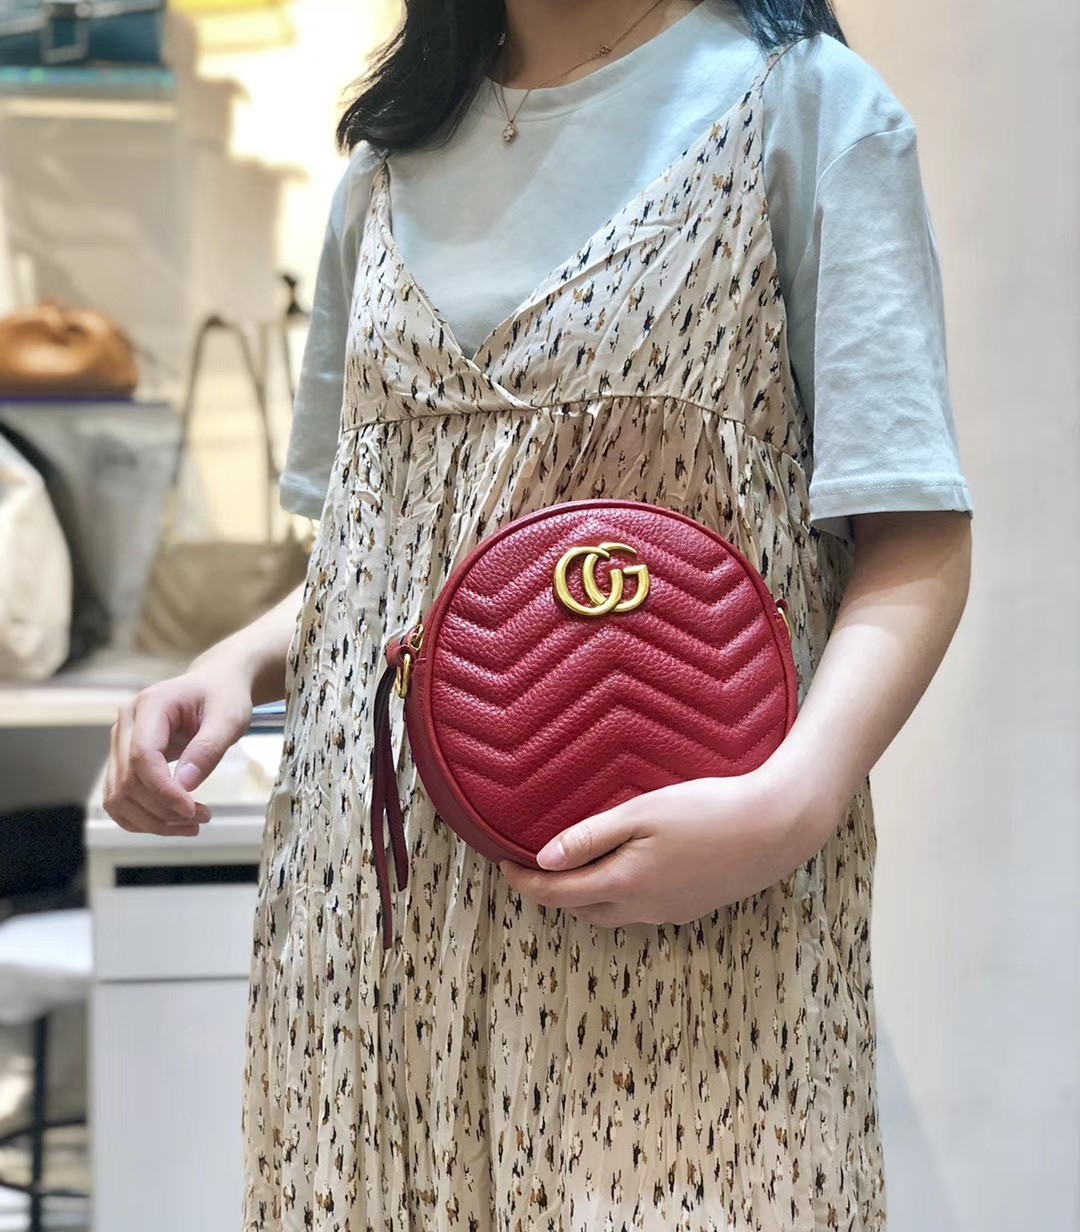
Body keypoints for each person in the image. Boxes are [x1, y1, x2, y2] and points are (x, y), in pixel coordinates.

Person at [103, 1, 974, 1227]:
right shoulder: (388, 163)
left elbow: (917, 533)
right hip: (372, 925)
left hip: (676, 907)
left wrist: (790, 805)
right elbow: (384, 551)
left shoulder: (807, 113)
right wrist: (237, 664)